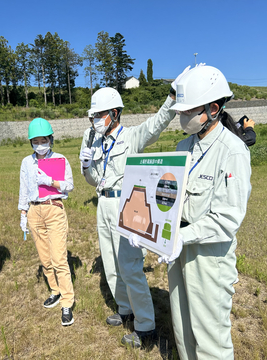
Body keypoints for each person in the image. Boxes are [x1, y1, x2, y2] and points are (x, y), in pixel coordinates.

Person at [158, 65, 252, 360]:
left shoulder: (232, 151)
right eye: (181, 111)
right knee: (183, 328)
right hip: (178, 248)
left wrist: (181, 237)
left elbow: (227, 219)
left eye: (188, 111)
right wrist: (148, 229)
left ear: (213, 108)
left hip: (208, 256)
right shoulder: (182, 146)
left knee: (210, 337)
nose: (182, 117)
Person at [78, 84, 177, 348]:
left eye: (99, 115)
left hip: (128, 204)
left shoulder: (131, 137)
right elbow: (93, 180)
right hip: (104, 203)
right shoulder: (93, 141)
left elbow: (156, 125)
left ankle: (145, 326)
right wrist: (86, 168)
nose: (94, 120)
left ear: (115, 113)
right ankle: (125, 309)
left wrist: (171, 98)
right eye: (93, 116)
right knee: (111, 262)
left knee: (131, 266)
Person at [18, 118, 75, 326]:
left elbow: (69, 185)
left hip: (54, 208)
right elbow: (23, 188)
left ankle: (67, 302)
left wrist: (50, 181)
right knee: (44, 258)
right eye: (36, 141)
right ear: (31, 142)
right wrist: (23, 213)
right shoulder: (26, 162)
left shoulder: (60, 159)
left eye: (44, 140)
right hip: (34, 210)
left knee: (59, 258)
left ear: (51, 139)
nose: (40, 145)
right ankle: (55, 290)